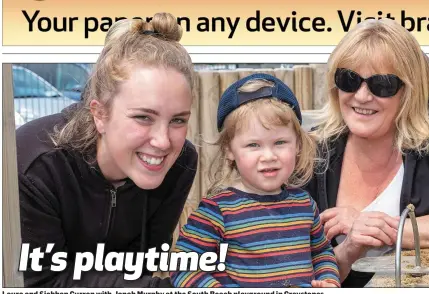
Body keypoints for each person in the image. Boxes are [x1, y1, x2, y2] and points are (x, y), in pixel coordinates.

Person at [303, 18, 429, 287]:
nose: (362, 96)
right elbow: (289, 264)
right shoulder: (316, 150)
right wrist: (350, 247)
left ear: (410, 90)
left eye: (383, 84)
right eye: (349, 79)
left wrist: (382, 229)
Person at [16, 12, 198, 287]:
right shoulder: (39, 167)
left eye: (178, 120)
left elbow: (145, 262)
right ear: (100, 114)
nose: (163, 141)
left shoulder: (181, 161)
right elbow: (43, 281)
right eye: (143, 117)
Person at [170, 74, 341, 288]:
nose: (268, 156)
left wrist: (328, 280)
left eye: (280, 142)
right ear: (229, 150)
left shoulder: (305, 205)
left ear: (297, 145)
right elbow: (183, 266)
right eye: (253, 145)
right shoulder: (217, 211)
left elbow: (321, 252)